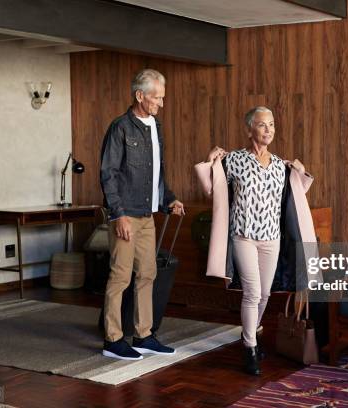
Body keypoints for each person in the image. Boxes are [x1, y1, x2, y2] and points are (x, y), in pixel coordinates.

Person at [195, 106, 316, 375]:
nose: (269, 129)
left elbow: (295, 197)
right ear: (250, 129)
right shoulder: (234, 160)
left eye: (272, 124)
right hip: (243, 236)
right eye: (262, 125)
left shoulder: (280, 166)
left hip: (271, 238)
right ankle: (249, 347)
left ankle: (250, 334)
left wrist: (301, 172)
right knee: (251, 293)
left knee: (265, 294)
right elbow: (211, 189)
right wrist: (210, 159)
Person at [100, 69, 184, 360]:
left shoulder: (155, 126)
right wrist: (117, 215)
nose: (160, 103)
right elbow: (108, 174)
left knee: (147, 274)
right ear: (140, 95)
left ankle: (143, 335)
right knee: (120, 276)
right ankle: (113, 340)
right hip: (125, 215)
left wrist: (169, 198)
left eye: (162, 97)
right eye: (156, 97)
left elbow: (156, 171)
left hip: (148, 215)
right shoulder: (120, 127)